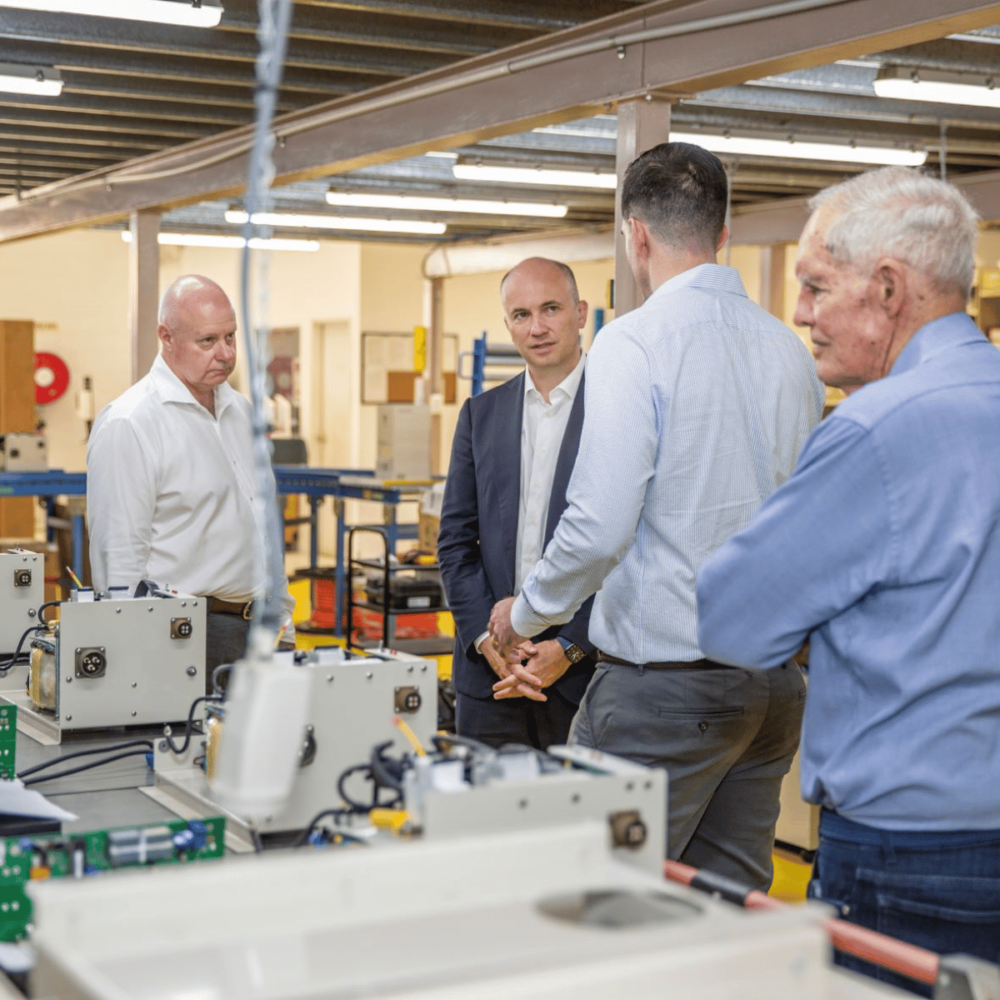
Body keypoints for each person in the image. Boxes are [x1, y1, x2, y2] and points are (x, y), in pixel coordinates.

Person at [488, 142, 824, 891]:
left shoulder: (632, 343)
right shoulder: (788, 350)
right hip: (768, 691)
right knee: (721, 913)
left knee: (588, 900)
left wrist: (530, 613)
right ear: (723, 233)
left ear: (635, 236)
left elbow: (601, 523)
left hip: (664, 693)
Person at [696, 167, 1000, 992]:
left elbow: (732, 617)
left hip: (914, 857)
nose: (799, 312)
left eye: (815, 285)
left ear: (890, 288)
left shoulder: (877, 431)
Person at [87, 274, 295, 691]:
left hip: (254, 631)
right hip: (179, 638)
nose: (226, 353)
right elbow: (120, 554)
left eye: (231, 337)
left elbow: (260, 524)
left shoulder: (241, 413)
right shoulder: (132, 422)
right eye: (208, 341)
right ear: (166, 337)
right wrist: (131, 660)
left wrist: (282, 613)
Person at [437, 257, 596, 749]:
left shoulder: (617, 409)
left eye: (551, 308)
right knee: (487, 820)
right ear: (507, 324)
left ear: (580, 313)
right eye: (521, 315)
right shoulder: (480, 415)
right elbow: (456, 543)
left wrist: (569, 648)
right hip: (491, 680)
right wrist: (488, 641)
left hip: (581, 681)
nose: (538, 327)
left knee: (577, 823)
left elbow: (626, 548)